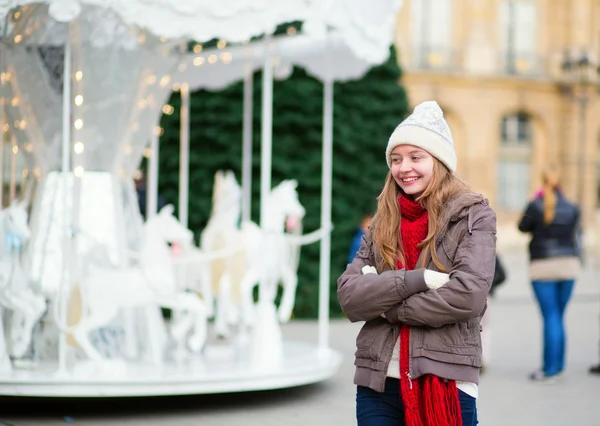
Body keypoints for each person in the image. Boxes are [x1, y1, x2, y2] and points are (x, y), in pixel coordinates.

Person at [338, 101, 496, 426]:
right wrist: (417, 280)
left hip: (446, 379)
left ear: (438, 161)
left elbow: (468, 295)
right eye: (396, 159)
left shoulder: (473, 215)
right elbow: (349, 296)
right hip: (378, 380)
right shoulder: (383, 220)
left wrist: (386, 306)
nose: (403, 167)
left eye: (415, 157)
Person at [518, 166, 581, 381]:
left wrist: (532, 203)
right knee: (559, 317)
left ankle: (548, 369)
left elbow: (522, 227)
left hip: (542, 266)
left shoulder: (535, 205)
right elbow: (575, 233)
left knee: (551, 317)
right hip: (569, 266)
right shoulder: (572, 206)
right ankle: (559, 365)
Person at [480, 255, 507, 373]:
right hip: (486, 295)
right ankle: (483, 358)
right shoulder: (490, 252)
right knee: (485, 328)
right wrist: (491, 286)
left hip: (465, 295)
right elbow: (503, 275)